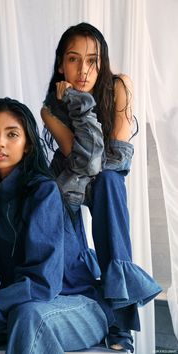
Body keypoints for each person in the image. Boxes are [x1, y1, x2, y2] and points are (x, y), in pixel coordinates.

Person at [0, 97, 120, 354]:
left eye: (11, 134)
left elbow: (41, 284)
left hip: (79, 305)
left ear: (27, 145)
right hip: (28, 304)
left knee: (27, 317)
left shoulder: (43, 192)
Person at [41, 22, 162, 352]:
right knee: (49, 194)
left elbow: (113, 160)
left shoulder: (120, 85)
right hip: (71, 179)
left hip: (104, 179)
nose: (84, 70)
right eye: (74, 59)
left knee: (109, 182)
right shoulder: (50, 108)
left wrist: (80, 100)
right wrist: (76, 101)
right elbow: (82, 163)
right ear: (61, 64)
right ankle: (77, 295)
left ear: (102, 62)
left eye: (92, 60)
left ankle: (120, 316)